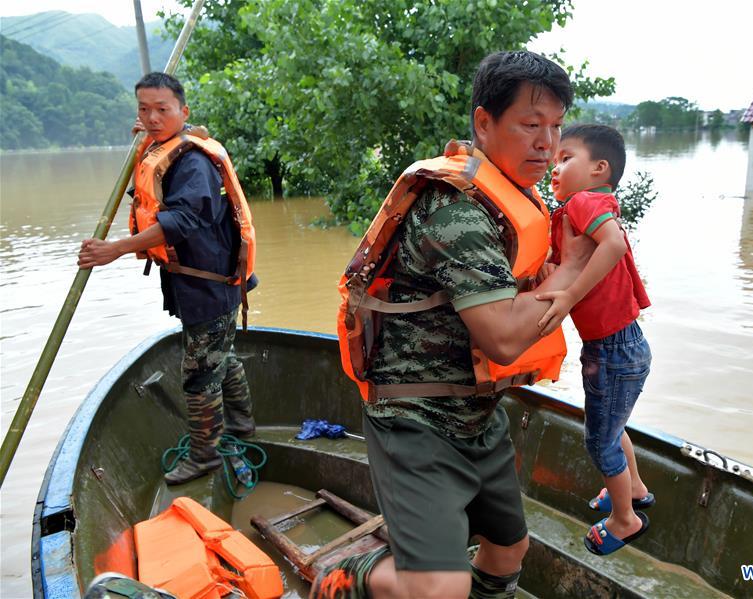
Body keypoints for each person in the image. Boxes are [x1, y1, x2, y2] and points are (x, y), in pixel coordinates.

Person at [321, 51, 596, 599]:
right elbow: (502, 336)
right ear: (484, 123)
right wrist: (574, 273)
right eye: (530, 125)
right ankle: (350, 578)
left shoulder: (517, 197)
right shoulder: (457, 209)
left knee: (508, 549)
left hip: (475, 410)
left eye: (557, 127)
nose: (548, 142)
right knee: (440, 588)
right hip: (415, 416)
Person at [77, 72, 258, 486]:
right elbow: (155, 186)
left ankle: (205, 455)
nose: (153, 117)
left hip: (209, 286)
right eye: (145, 110)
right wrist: (146, 137)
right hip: (210, 282)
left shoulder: (192, 162)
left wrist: (116, 249)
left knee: (199, 374)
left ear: (184, 111)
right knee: (221, 358)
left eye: (163, 109)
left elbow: (182, 220)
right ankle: (243, 426)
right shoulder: (167, 146)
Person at [534, 123, 653, 555]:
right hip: (620, 345)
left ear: (600, 168)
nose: (555, 166)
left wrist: (568, 296)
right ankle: (633, 487)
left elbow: (615, 246)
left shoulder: (585, 201)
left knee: (599, 440)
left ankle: (626, 519)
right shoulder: (574, 209)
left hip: (614, 350)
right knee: (610, 426)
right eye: (555, 160)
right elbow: (568, 258)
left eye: (567, 158)